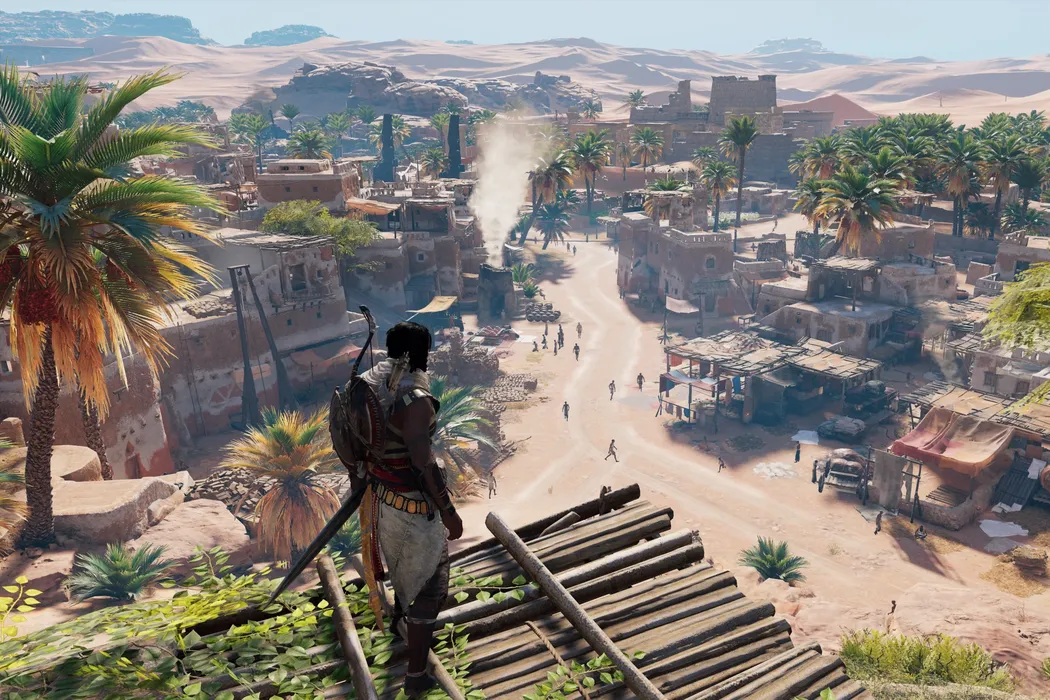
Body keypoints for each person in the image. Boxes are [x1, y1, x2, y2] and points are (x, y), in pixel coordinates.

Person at [350, 322, 463, 698]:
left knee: (403, 571)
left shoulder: (369, 383)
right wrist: (448, 511)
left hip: (385, 499)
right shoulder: (414, 399)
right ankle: (415, 676)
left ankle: (405, 624)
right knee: (430, 589)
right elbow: (422, 462)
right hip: (413, 509)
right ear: (420, 354)